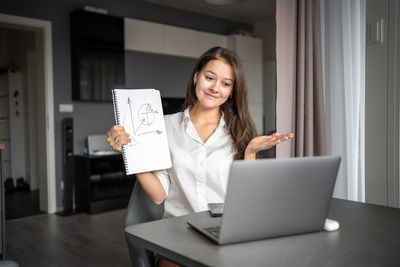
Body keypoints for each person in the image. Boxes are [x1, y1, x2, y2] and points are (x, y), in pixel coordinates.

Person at [107, 46, 293, 267]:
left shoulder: (240, 132)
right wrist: (133, 152)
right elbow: (158, 196)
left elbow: (245, 198)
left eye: (226, 83)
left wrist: (250, 153)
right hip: (178, 234)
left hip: (226, 232)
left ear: (232, 91)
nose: (215, 88)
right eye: (209, 78)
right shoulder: (164, 126)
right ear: (196, 77)